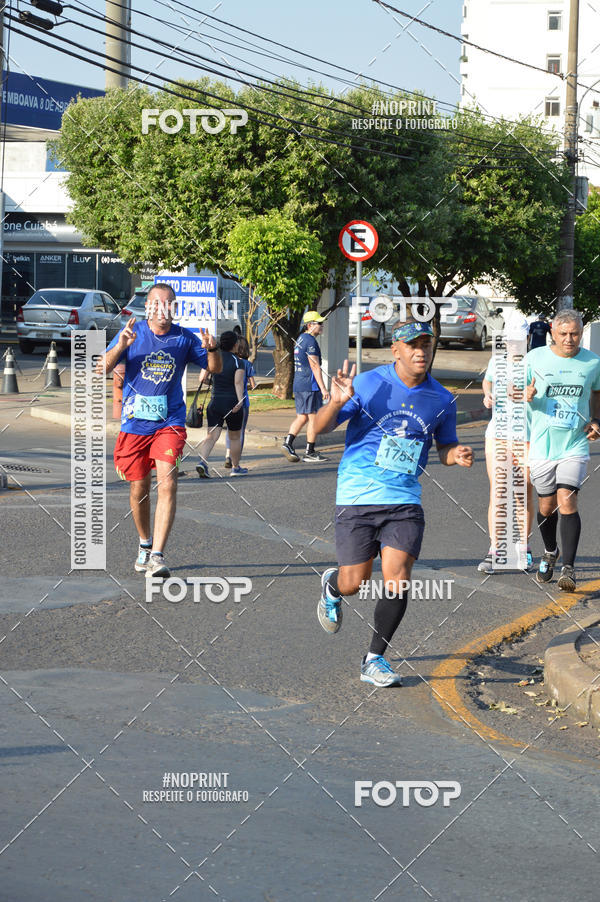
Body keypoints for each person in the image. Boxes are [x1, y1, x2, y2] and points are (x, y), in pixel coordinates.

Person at [312, 319, 474, 687]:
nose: (421, 351)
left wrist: (457, 454)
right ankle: (333, 586)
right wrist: (335, 403)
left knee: (397, 579)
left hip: (404, 499)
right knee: (354, 581)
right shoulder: (370, 384)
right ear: (395, 350)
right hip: (357, 495)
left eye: (426, 345)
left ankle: (374, 659)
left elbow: (445, 447)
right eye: (412, 345)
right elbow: (317, 431)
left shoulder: (441, 398)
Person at [99, 283, 222, 578]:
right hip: (134, 425)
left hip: (170, 424)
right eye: (157, 303)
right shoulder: (132, 333)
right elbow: (101, 368)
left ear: (175, 308)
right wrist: (120, 346)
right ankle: (144, 543)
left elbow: (215, 368)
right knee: (139, 488)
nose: (163, 309)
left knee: (167, 482)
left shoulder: (184, 338)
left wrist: (213, 348)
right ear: (149, 306)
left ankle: (157, 555)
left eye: (169, 304)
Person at [527, 309, 600, 591]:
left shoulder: (592, 362)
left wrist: (596, 420)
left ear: (581, 333)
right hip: (543, 443)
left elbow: (596, 392)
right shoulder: (536, 358)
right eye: (564, 334)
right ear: (553, 334)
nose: (570, 339)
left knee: (567, 500)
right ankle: (550, 551)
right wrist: (525, 394)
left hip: (575, 443)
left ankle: (568, 568)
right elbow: (517, 390)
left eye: (575, 334)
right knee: (546, 506)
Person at [479, 316, 534, 573]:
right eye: (510, 340)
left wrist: (525, 396)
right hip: (498, 434)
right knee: (498, 491)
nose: (514, 345)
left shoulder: (535, 363)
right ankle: (495, 549)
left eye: (519, 341)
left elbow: (541, 394)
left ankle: (523, 549)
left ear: (527, 339)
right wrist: (487, 393)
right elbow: (488, 380)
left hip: (526, 435)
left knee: (522, 492)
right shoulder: (497, 360)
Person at [196, 330, 247, 477]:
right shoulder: (239, 362)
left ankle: (202, 462)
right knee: (235, 437)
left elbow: (202, 378)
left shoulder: (211, 356)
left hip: (215, 401)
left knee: (211, 436)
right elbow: (238, 383)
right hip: (232, 402)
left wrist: (213, 382)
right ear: (235, 344)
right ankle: (235, 468)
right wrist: (240, 401)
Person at [282, 311, 330, 463]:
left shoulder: (301, 339)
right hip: (310, 385)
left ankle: (288, 443)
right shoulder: (310, 342)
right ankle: (309, 451)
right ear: (310, 325)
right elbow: (315, 366)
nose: (322, 326)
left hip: (299, 383)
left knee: (302, 416)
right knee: (314, 417)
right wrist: (323, 388)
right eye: (319, 323)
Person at [224, 335, 256, 469]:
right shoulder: (246, 364)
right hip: (241, 401)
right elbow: (253, 384)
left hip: (226, 400)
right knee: (240, 431)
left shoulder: (228, 361)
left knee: (229, 430)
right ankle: (236, 461)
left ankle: (227, 455)